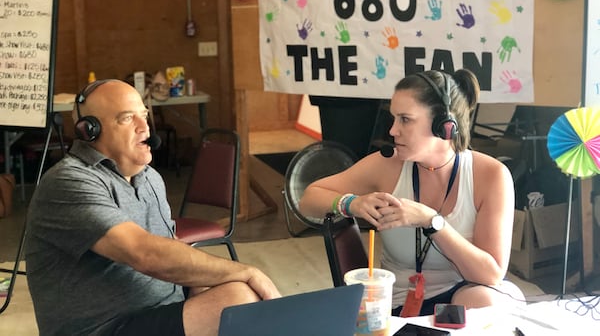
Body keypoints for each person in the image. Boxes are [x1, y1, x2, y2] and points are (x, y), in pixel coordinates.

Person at [25, 79, 281, 336]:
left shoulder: (149, 178)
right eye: (127, 118)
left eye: (144, 115)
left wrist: (202, 282)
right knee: (238, 298)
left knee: (234, 293)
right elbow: (142, 252)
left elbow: (169, 245)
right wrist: (246, 271)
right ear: (89, 130)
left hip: (158, 312)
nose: (144, 126)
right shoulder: (69, 181)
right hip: (106, 327)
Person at [299, 69, 524, 316]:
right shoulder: (386, 165)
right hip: (398, 304)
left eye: (405, 119)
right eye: (393, 118)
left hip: (463, 293)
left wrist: (431, 221)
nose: (393, 130)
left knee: (484, 300)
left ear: (445, 125)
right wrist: (350, 203)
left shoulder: (491, 175)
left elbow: (490, 275)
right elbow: (308, 198)